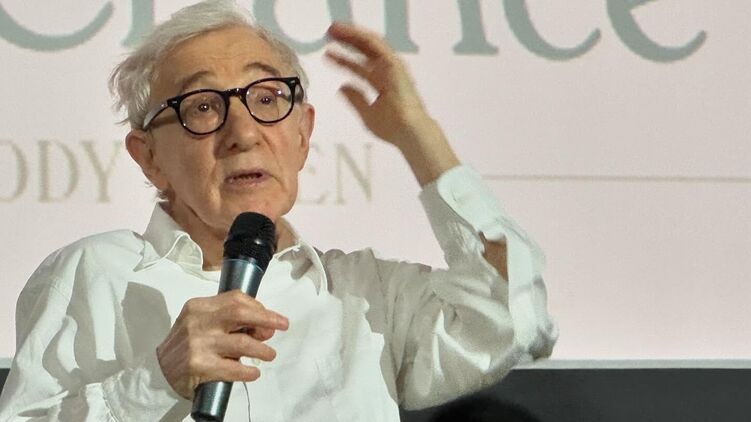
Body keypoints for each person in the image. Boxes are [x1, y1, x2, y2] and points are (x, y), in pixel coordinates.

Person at [0, 1, 557, 420]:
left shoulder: (365, 295)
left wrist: (418, 135)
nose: (243, 133)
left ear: (303, 134)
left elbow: (511, 319)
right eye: (202, 106)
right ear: (149, 158)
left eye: (267, 99)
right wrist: (154, 381)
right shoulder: (96, 272)